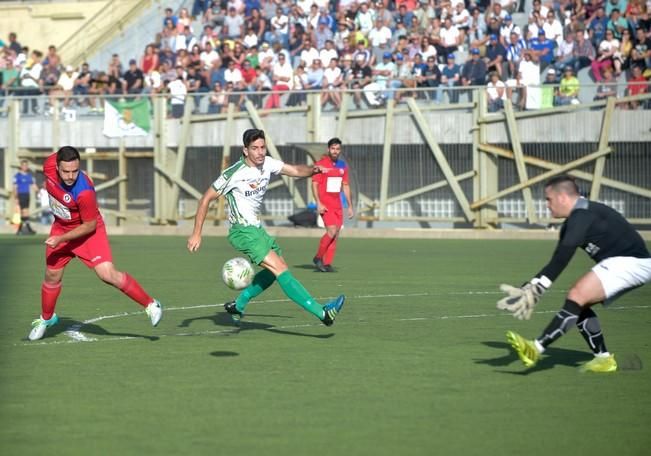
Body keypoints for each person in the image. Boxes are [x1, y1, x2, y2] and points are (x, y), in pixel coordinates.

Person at [187, 129, 345, 326]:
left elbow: (295, 170)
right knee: (280, 269)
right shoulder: (233, 173)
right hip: (242, 232)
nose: (260, 152)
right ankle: (323, 313)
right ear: (246, 151)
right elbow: (205, 199)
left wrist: (313, 170)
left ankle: (239, 304)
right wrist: (196, 234)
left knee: (273, 271)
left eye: (262, 147)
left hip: (257, 230)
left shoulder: (268, 163)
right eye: (255, 148)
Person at [497, 175, 651, 373]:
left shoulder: (581, 215)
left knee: (577, 295)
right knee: (578, 303)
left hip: (632, 263)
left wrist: (539, 288)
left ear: (562, 197)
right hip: (628, 264)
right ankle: (603, 359)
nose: (546, 205)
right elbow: (557, 259)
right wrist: (533, 285)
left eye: (548, 199)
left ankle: (535, 349)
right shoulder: (574, 220)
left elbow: (564, 256)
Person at [28, 146, 162, 341]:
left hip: (87, 232)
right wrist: (60, 235)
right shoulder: (48, 165)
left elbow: (89, 225)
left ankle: (151, 305)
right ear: (56, 167)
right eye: (66, 171)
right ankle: (47, 319)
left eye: (75, 171)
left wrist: (61, 239)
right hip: (61, 228)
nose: (71, 176)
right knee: (51, 275)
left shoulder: (84, 192)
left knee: (107, 275)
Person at [311, 138, 354, 273]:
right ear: (328, 149)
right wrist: (318, 202)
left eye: (338, 149)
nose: (335, 151)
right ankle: (318, 258)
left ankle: (327, 263)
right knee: (331, 231)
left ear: (340, 150)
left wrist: (350, 206)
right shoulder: (321, 165)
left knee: (336, 234)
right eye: (333, 149)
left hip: (337, 205)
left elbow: (345, 186)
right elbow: (314, 184)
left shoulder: (343, 166)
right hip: (326, 205)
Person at [13, 159, 38, 235]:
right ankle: (27, 228)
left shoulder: (29, 176)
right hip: (21, 194)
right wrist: (16, 197)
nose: (25, 167)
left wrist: (38, 191)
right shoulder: (17, 176)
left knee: (26, 211)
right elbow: (15, 187)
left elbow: (33, 185)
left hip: (27, 195)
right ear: (21, 166)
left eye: (26, 165)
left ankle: (20, 229)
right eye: (23, 165)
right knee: (24, 212)